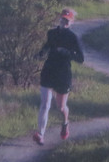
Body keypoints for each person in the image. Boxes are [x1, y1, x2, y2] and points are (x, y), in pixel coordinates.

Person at [33, 8, 84, 145]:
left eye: (67, 20)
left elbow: (81, 58)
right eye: (63, 19)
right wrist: (40, 54)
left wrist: (66, 52)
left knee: (61, 107)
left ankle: (65, 122)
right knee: (45, 105)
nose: (64, 22)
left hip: (63, 73)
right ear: (59, 19)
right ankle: (41, 134)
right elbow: (47, 46)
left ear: (71, 22)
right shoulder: (51, 33)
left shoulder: (73, 37)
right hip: (49, 70)